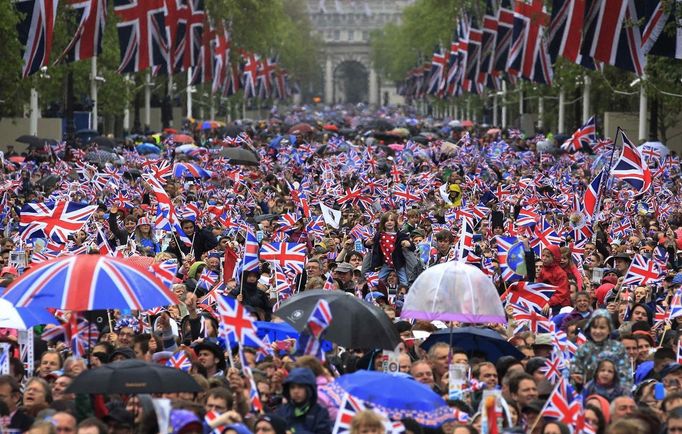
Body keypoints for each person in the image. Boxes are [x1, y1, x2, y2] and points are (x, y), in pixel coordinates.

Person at [571, 310, 632, 393]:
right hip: (588, 395)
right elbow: (573, 372)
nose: (598, 331)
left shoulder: (618, 348)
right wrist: (576, 378)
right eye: (595, 327)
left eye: (602, 328)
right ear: (589, 328)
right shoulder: (583, 349)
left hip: (614, 395)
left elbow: (626, 376)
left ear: (609, 329)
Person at [274, 367, 332, 434]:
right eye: (292, 387)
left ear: (309, 389)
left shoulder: (320, 412)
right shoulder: (281, 411)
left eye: (300, 387)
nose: (295, 391)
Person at [368, 211, 413, 285]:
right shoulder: (379, 235)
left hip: (399, 264)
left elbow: (411, 245)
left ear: (395, 222)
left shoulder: (400, 235)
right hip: (386, 264)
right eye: (387, 220)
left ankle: (402, 295)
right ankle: (381, 295)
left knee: (404, 282)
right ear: (383, 223)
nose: (389, 222)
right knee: (378, 281)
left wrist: (408, 244)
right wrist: (367, 243)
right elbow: (371, 242)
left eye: (392, 220)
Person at [537, 245, 570, 313]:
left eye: (547, 256)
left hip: (559, 304)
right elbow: (539, 286)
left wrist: (549, 303)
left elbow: (562, 293)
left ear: (554, 257)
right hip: (545, 301)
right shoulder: (543, 270)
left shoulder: (560, 273)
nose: (544, 258)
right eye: (543, 255)